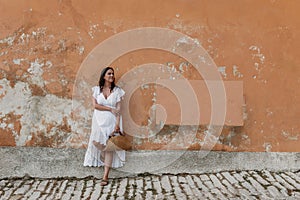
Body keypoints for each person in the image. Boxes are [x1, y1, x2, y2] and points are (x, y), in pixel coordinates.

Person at [83, 67, 125, 186]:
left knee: (109, 148)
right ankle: (102, 157)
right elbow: (95, 105)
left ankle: (105, 176)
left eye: (112, 74)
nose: (111, 75)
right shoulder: (96, 90)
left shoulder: (117, 91)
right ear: (104, 76)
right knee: (97, 143)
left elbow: (118, 110)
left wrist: (117, 125)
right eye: (109, 73)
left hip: (112, 122)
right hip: (98, 121)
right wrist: (109, 108)